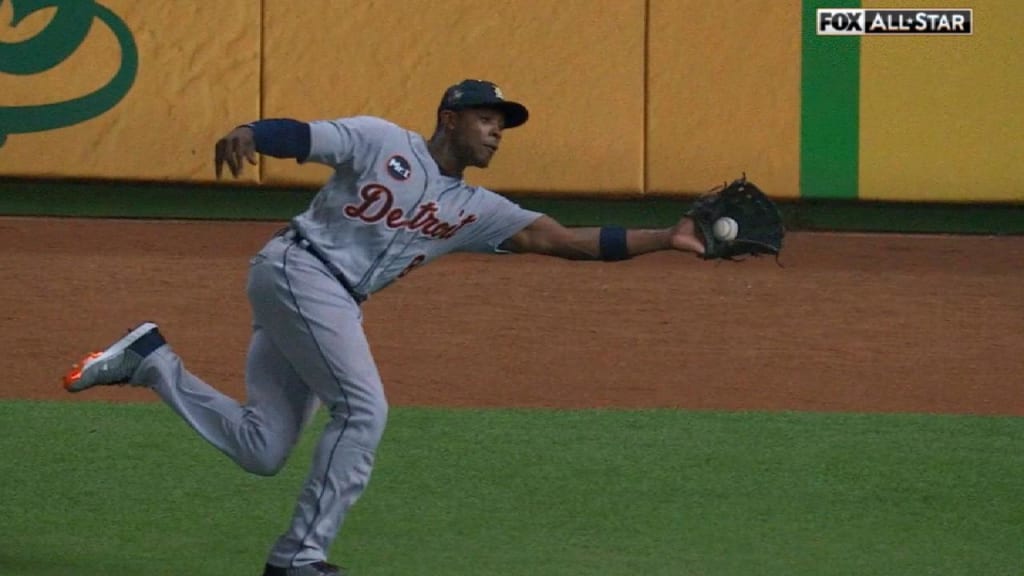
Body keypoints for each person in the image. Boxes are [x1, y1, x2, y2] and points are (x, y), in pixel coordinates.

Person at [61, 79, 707, 576]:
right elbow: (308, 137)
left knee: (263, 450)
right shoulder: (382, 142)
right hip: (299, 271)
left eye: (502, 124)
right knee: (365, 409)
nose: (497, 131)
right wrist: (251, 131)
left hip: (325, 301)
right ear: (450, 117)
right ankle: (298, 557)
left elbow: (561, 239)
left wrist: (667, 237)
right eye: (487, 118)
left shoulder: (476, 208)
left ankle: (151, 360)